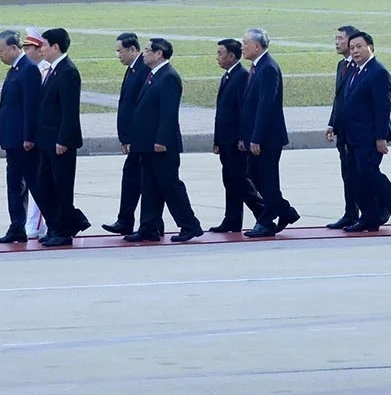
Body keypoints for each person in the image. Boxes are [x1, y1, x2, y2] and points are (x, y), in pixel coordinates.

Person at [127, 38, 204, 243]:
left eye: (147, 50)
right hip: (147, 144)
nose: (143, 53)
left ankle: (190, 225)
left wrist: (161, 140)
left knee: (170, 185)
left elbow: (169, 113)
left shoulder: (168, 76)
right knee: (150, 186)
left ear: (159, 53)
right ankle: (148, 227)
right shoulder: (155, 75)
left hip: (161, 145)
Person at [340, 31, 391, 232]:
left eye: (359, 46)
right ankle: (369, 217)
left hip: (370, 136)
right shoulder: (356, 70)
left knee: (369, 172)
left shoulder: (378, 72)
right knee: (356, 177)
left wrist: (381, 137)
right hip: (353, 135)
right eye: (352, 47)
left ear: (370, 47)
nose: (355, 51)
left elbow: (383, 107)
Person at [241, 27, 300, 237]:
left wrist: (256, 138)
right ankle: (285, 211)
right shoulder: (257, 67)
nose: (242, 47)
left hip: (267, 138)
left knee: (267, 180)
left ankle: (266, 222)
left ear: (257, 46)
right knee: (255, 175)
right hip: (256, 136)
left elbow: (266, 106)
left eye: (245, 43)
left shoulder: (267, 68)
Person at [34, 27, 88, 247]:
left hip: (59, 142)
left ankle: (65, 231)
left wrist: (63, 140)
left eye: (44, 45)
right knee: (46, 186)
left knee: (62, 188)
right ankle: (58, 226)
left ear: (56, 47)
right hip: (46, 140)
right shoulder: (53, 70)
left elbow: (69, 110)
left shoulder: (67, 71)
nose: (41, 49)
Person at [0, 29, 43, 244]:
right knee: (15, 186)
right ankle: (17, 227)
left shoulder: (28, 69)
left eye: (1, 50)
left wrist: (28, 137)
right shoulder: (15, 69)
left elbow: (31, 107)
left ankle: (59, 225)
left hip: (23, 142)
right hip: (12, 140)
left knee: (34, 185)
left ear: (14, 48)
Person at [209, 38, 262, 233]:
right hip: (225, 140)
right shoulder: (228, 76)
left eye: (220, 54)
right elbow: (222, 112)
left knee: (239, 181)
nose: (217, 58)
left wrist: (243, 137)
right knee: (229, 181)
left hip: (236, 141)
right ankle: (232, 219)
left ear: (232, 56)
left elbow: (244, 111)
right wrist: (217, 140)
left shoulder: (241, 76)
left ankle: (264, 213)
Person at [102, 32, 147, 236]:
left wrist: (130, 137)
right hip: (132, 138)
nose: (118, 55)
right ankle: (125, 220)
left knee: (142, 181)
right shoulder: (133, 69)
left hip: (140, 138)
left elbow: (139, 108)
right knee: (131, 178)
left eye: (120, 51)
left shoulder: (143, 69)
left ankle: (144, 223)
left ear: (132, 50)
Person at [324, 25, 363, 229]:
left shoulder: (359, 66)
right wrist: (332, 122)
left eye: (340, 38)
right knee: (347, 173)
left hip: (357, 131)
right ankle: (350, 213)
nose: (336, 42)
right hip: (343, 129)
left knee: (360, 173)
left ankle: (373, 210)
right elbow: (339, 98)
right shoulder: (342, 65)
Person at [21, 29, 49, 239]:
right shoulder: (30, 69)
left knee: (39, 182)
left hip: (41, 136)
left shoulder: (43, 71)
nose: (25, 51)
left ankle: (37, 224)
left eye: (29, 47)